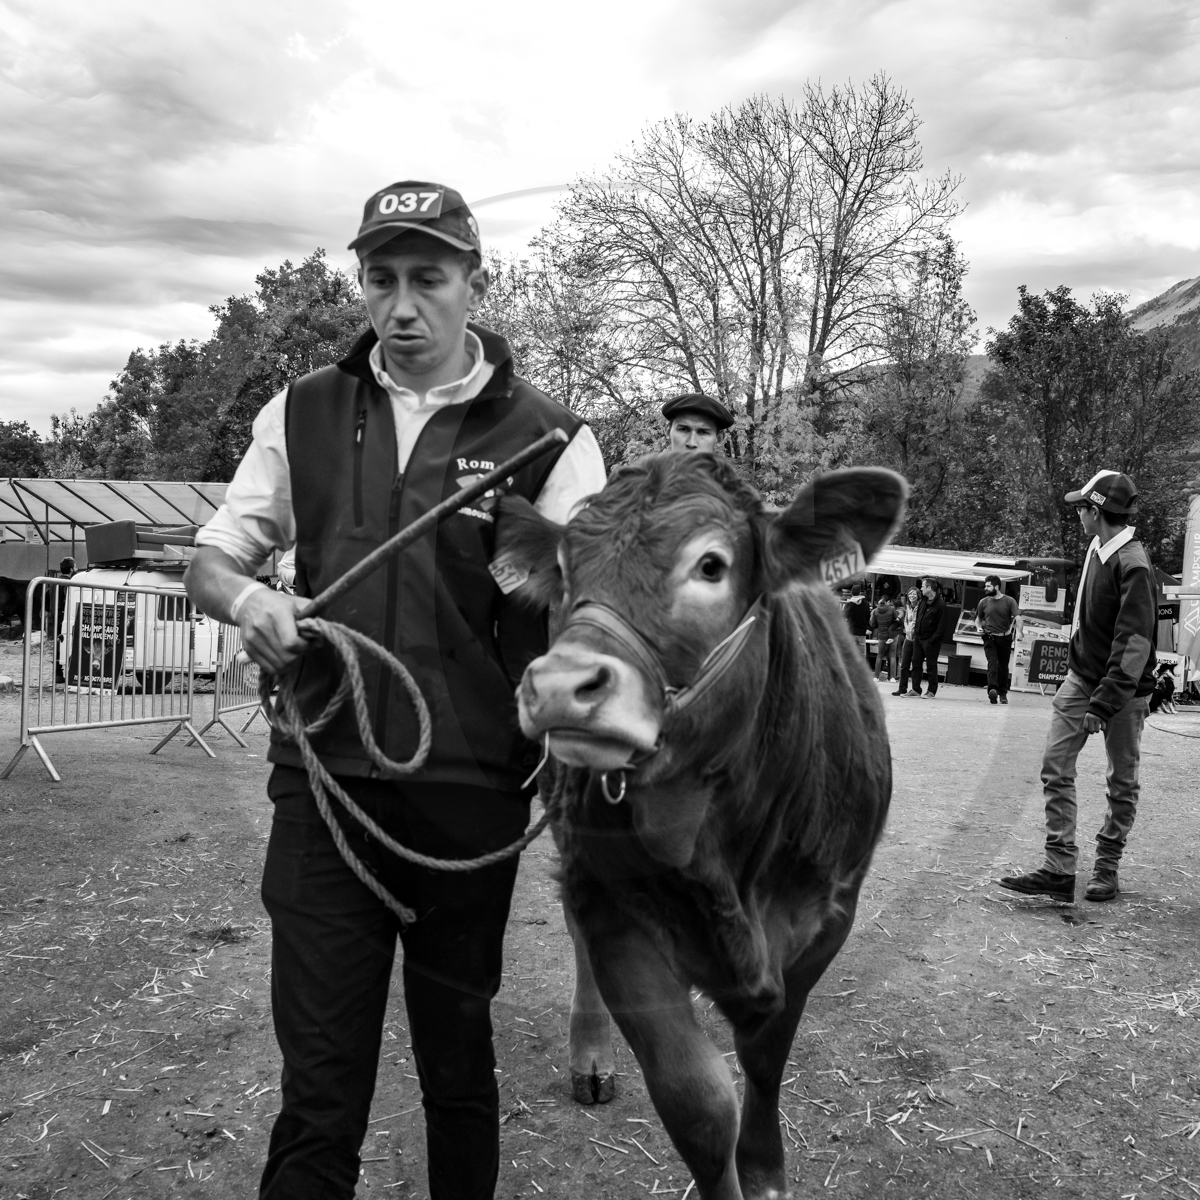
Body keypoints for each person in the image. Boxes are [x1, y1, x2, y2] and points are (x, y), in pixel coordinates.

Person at [185, 180, 607, 1200]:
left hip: (469, 798)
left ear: (476, 283)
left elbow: (590, 607)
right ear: (362, 286)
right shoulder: (304, 411)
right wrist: (251, 603)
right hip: (323, 787)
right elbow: (212, 559)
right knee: (320, 1083)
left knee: (457, 1069)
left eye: (428, 278)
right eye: (382, 280)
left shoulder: (553, 438)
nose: (403, 305)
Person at [999, 470, 1156, 904]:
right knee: (1055, 764)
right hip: (1080, 678)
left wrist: (1104, 703)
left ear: (1097, 511)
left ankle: (1107, 866)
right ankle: (1059, 865)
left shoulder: (1134, 565)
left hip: (1123, 693)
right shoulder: (1095, 547)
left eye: (1082, 508)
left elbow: (1135, 644)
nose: (1078, 515)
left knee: (1121, 780)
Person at [975, 574, 1020, 704]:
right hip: (989, 637)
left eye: (988, 586)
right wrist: (978, 628)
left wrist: (1020, 632)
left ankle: (1003, 693)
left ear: (996, 586)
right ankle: (992, 690)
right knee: (992, 663)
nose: (986, 588)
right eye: (985, 586)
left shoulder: (1009, 601)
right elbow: (978, 619)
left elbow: (1018, 618)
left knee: (1003, 667)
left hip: (1005, 638)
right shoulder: (983, 602)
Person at [661, 392, 734, 453]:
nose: (691, 443)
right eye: (683, 429)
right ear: (668, 431)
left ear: (719, 438)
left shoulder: (725, 470)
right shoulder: (651, 470)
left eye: (703, 432)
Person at [910, 576, 946, 698]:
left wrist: (932, 641)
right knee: (915, 663)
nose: (921, 589)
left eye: (923, 586)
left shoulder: (940, 604)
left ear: (929, 588)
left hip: (931, 640)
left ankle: (931, 691)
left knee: (931, 665)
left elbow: (942, 626)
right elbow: (918, 618)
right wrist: (916, 634)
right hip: (919, 638)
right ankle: (915, 689)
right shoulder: (923, 601)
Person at [892, 586, 921, 696]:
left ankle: (916, 689)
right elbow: (905, 620)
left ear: (918, 595)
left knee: (916, 664)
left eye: (914, 594)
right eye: (910, 594)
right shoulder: (907, 607)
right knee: (904, 664)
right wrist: (907, 629)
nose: (912, 596)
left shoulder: (921, 606)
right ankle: (902, 688)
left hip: (917, 639)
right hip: (908, 638)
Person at [869, 592, 901, 681]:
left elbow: (872, 624)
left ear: (879, 603)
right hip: (893, 636)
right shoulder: (892, 609)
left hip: (881, 636)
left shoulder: (874, 611)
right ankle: (892, 678)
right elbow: (897, 620)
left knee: (879, 656)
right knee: (892, 656)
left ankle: (876, 677)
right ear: (887, 602)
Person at [842, 582, 871, 655]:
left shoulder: (848, 604)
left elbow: (843, 617)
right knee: (861, 655)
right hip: (862, 632)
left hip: (851, 632)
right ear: (860, 592)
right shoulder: (866, 604)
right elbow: (868, 617)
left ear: (851, 592)